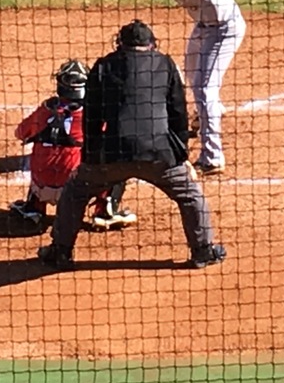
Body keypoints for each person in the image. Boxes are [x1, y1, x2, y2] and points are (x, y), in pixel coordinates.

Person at [37, 20, 226, 271]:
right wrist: (182, 158)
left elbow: (93, 117)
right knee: (191, 196)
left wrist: (90, 159)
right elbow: (178, 115)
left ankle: (60, 252)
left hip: (113, 153)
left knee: (75, 193)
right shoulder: (166, 64)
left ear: (121, 44)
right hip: (160, 155)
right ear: (151, 44)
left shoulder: (104, 65)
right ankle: (203, 251)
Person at [148, 0, 244, 176]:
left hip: (226, 29)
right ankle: (208, 115)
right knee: (190, 76)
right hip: (202, 28)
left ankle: (213, 157)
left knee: (204, 88)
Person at [10, 60, 137, 232]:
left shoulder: (45, 109)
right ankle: (105, 212)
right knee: (117, 157)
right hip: (75, 191)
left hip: (41, 186)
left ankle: (34, 207)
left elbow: (20, 133)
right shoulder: (93, 113)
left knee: (43, 155)